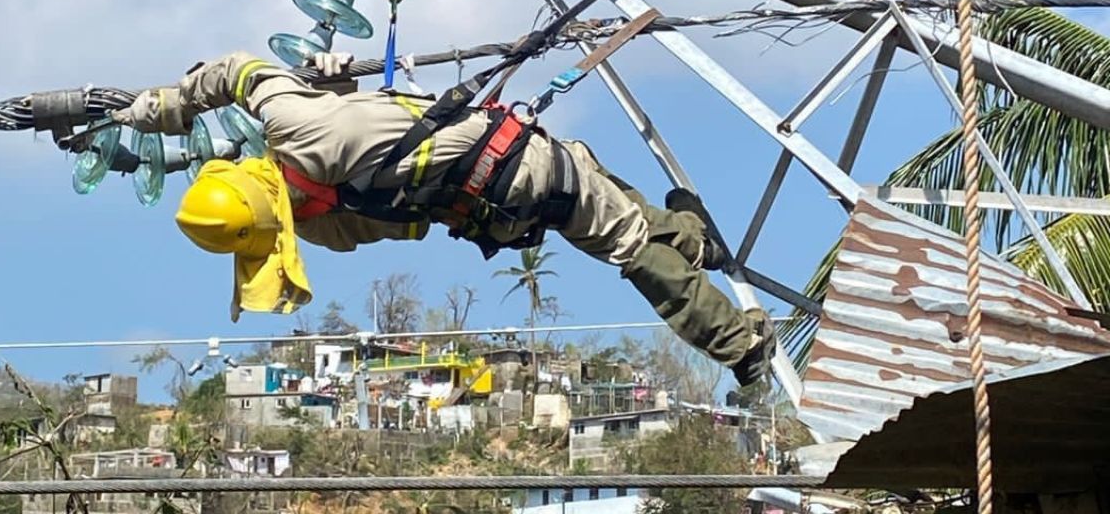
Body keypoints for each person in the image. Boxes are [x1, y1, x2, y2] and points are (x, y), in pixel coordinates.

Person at [112, 50, 775, 386]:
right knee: (630, 243)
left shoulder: (324, 226)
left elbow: (412, 219)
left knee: (604, 191)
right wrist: (164, 107)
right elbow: (236, 71)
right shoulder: (295, 121)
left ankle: (693, 238)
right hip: (528, 165)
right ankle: (741, 348)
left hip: (504, 215)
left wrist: (341, 96)